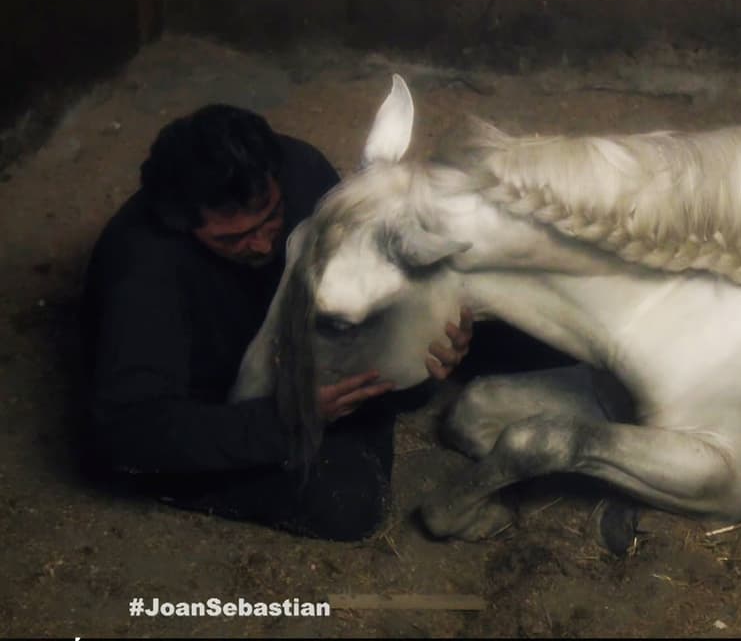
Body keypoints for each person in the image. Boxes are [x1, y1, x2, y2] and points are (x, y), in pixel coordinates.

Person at [77, 104, 472, 541]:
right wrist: (287, 421)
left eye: (271, 216)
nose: (264, 241)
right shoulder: (141, 270)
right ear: (181, 225)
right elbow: (125, 431)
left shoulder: (302, 170)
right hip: (215, 402)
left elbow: (367, 278)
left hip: (305, 345)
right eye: (233, 237)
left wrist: (430, 338)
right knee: (347, 502)